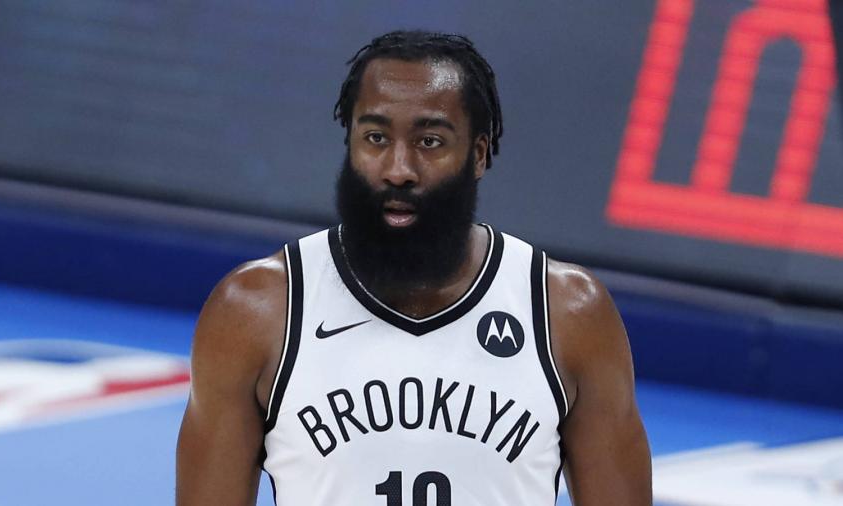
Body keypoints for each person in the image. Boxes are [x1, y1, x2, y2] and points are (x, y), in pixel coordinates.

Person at [176, 30, 652, 505]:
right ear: (350, 144)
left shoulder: (566, 314)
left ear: (479, 154)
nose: (398, 168)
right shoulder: (256, 312)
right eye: (376, 137)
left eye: (429, 141)